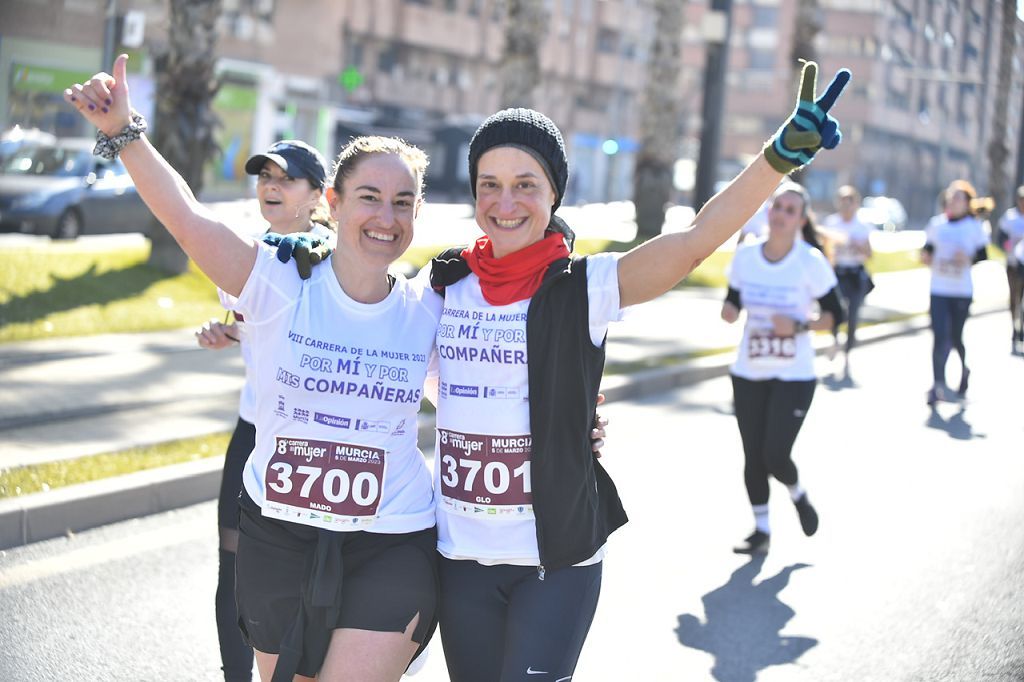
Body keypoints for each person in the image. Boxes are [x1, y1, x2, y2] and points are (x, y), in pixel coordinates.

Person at [278, 61, 850, 678]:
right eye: (489, 184)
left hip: (558, 562)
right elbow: (365, 303)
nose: (505, 201)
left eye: (526, 184)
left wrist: (776, 159)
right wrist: (309, 250)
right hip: (459, 557)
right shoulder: (444, 285)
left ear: (554, 195)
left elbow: (693, 241)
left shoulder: (587, 285)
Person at [65, 55, 442, 682]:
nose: (387, 217)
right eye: (370, 197)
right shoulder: (276, 281)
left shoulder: (426, 307)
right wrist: (127, 132)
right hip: (280, 534)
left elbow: (488, 389)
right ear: (334, 201)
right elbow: (186, 219)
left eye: (403, 203)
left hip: (392, 537)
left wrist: (576, 426)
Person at [194, 139, 334, 682]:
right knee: (233, 566)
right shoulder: (249, 255)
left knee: (306, 573)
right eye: (264, 177)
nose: (271, 187)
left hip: (312, 444)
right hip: (253, 431)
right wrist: (227, 331)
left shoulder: (338, 259)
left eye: (287, 179)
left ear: (319, 196)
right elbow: (256, 322)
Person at [720, 181, 844, 555]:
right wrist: (729, 311)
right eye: (777, 207)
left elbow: (836, 314)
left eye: (791, 210)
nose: (781, 215)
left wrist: (800, 325)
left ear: (801, 219)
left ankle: (798, 494)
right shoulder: (746, 256)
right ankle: (761, 530)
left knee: (775, 454)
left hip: (795, 374)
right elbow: (732, 302)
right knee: (752, 456)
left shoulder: (810, 261)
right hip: (749, 371)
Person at [921, 179, 992, 405]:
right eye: (951, 197)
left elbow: (984, 255)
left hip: (961, 291)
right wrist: (926, 258)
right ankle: (938, 384)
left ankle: (964, 370)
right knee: (939, 335)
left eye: (959, 198)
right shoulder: (937, 225)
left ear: (967, 203)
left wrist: (968, 258)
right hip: (939, 288)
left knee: (955, 337)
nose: (954, 201)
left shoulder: (974, 226)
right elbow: (927, 251)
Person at [822, 185, 875, 367]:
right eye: (842, 202)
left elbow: (869, 254)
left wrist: (857, 245)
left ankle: (848, 351)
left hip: (855, 273)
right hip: (838, 272)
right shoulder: (831, 223)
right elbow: (824, 249)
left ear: (856, 204)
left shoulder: (862, 226)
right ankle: (835, 339)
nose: (845, 207)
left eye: (849, 203)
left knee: (853, 315)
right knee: (836, 310)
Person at [996, 186, 1024, 355]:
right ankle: (1014, 331)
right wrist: (1007, 245)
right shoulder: (1010, 218)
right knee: (1015, 298)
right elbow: (1000, 237)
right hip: (1014, 265)